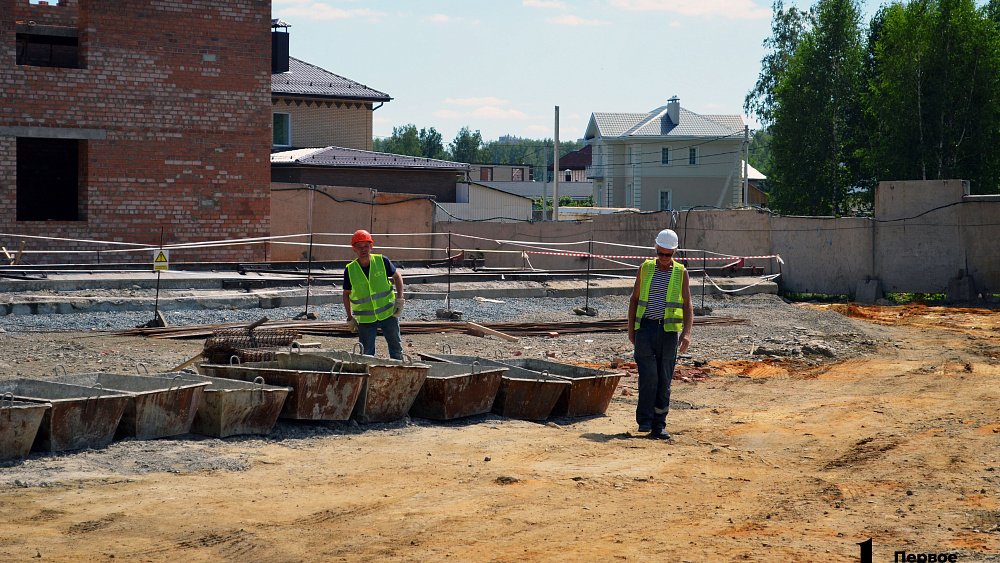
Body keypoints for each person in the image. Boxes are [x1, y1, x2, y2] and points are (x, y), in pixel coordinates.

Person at [627, 228, 693, 440]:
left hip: (668, 332)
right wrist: (631, 330)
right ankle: (644, 421)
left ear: (674, 252)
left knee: (664, 379)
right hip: (645, 329)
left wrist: (687, 333)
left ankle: (659, 425)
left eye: (669, 254)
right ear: (656, 249)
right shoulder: (645, 268)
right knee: (649, 376)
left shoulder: (680, 272)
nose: (664, 259)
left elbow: (688, 304)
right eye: (661, 253)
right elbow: (634, 300)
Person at [342, 229, 405, 360]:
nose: (363, 249)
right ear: (354, 248)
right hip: (366, 319)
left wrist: (400, 299)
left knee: (396, 349)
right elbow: (346, 294)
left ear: (371, 246)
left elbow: (397, 276)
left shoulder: (382, 261)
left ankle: (399, 373)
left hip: (388, 313)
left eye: (366, 246)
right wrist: (349, 318)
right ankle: (368, 378)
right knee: (366, 354)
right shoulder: (350, 269)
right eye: (359, 246)